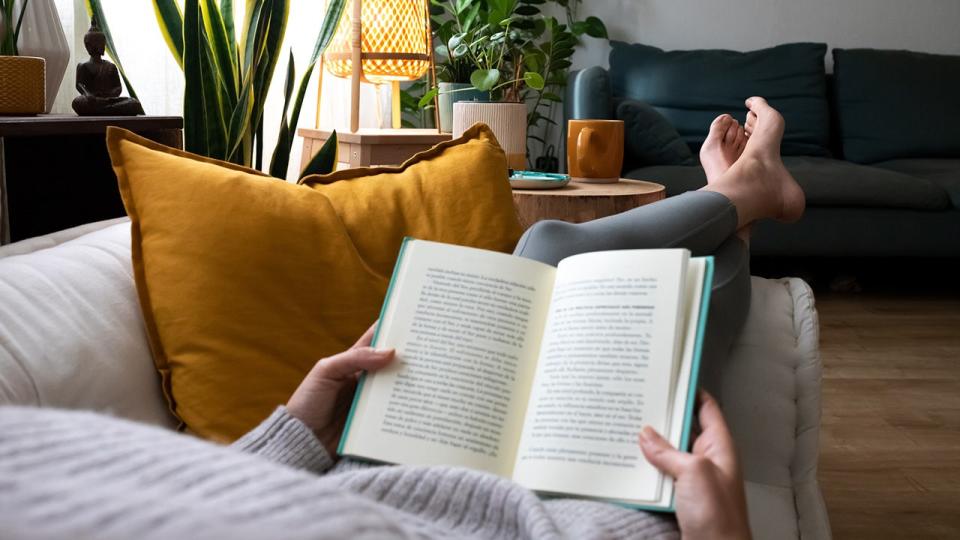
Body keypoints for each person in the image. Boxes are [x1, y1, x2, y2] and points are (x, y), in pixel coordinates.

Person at [0, 97, 803, 540]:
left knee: (547, 245)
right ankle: (736, 204)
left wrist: (296, 428)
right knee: (613, 277)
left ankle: (737, 204)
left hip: (391, 455)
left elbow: (197, 493)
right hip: (573, 507)